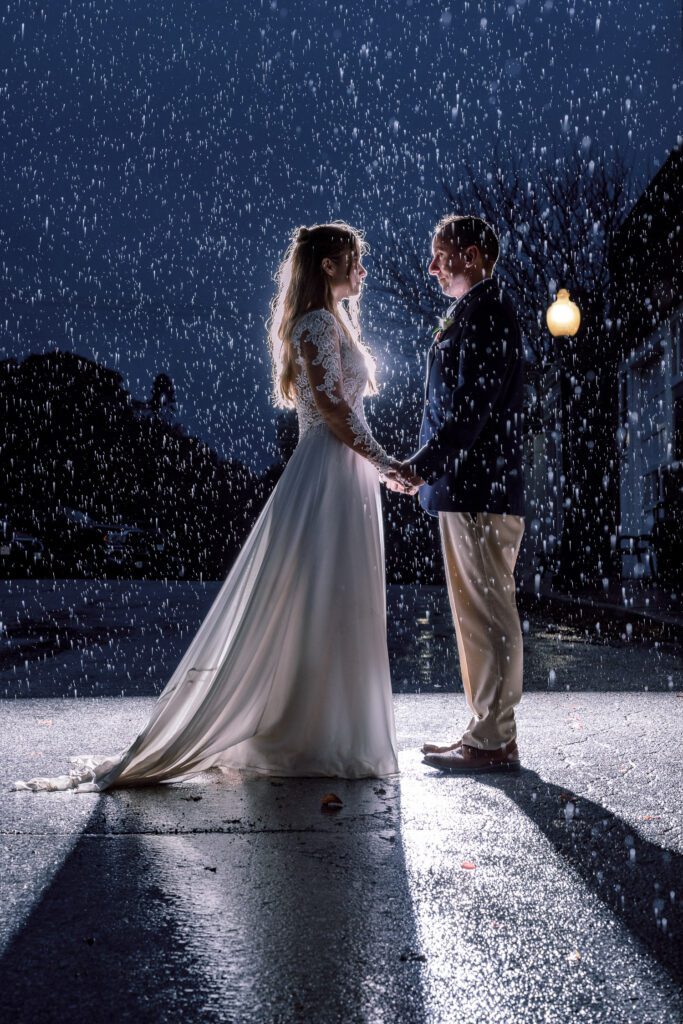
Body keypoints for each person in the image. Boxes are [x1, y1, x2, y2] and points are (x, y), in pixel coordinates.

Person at [13, 221, 412, 792]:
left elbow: (342, 408)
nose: (363, 271)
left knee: (328, 597)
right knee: (323, 595)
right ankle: (315, 733)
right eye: (355, 259)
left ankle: (321, 730)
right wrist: (387, 462)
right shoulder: (319, 323)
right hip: (328, 470)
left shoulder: (332, 322)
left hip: (342, 471)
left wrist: (376, 463)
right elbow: (329, 407)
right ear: (328, 265)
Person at [390, 214, 526, 773]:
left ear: (471, 256)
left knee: (489, 612)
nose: (432, 267)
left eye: (440, 255)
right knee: (476, 613)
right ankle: (484, 730)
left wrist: (422, 467)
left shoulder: (489, 312)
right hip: (469, 487)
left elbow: (471, 409)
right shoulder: (474, 311)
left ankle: (494, 738)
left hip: (480, 489)